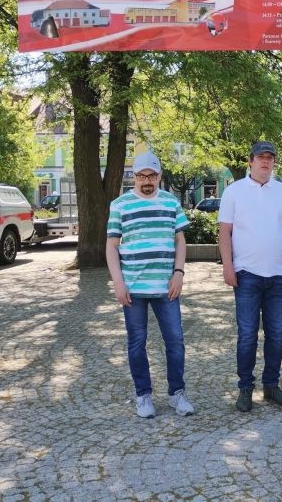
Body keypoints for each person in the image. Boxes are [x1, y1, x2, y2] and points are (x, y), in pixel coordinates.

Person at [106, 151, 194, 419]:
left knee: (175, 340)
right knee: (137, 342)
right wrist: (118, 282)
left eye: (152, 175)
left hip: (167, 286)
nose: (147, 181)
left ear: (159, 176)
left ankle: (176, 393)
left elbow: (180, 240)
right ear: (134, 176)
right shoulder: (120, 205)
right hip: (133, 288)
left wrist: (179, 272)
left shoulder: (170, 202)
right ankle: (143, 395)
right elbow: (111, 246)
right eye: (142, 176)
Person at [218, 141, 282, 412]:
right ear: (250, 161)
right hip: (246, 275)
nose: (265, 161)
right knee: (247, 335)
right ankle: (245, 388)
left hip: (277, 275)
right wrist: (227, 266)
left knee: (276, 334)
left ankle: (271, 386)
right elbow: (225, 232)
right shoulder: (234, 191)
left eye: (270, 157)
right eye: (260, 157)